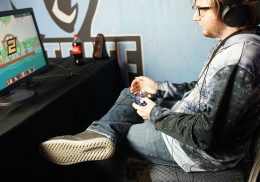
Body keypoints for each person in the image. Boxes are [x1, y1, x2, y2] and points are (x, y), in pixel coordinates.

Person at [39, 0, 260, 173]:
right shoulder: (234, 44)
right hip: (188, 117)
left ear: (231, 11)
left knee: (115, 140)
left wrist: (154, 113)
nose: (195, 17)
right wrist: (159, 88)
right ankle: (99, 133)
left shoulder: (239, 58)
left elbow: (204, 135)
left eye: (202, 9)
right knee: (132, 93)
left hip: (200, 152)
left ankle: (104, 138)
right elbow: (200, 89)